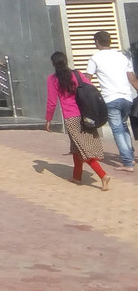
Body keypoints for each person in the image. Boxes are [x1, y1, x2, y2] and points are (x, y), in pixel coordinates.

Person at [45, 51, 110, 190]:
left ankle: (103, 175)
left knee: (83, 148)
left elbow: (51, 102)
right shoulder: (77, 74)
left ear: (53, 64)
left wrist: (48, 119)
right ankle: (77, 176)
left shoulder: (53, 79)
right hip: (85, 114)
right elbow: (91, 88)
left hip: (71, 118)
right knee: (76, 147)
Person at [86, 30, 138, 172]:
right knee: (124, 126)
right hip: (127, 98)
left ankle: (127, 162)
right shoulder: (123, 57)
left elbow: (87, 80)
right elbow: (132, 79)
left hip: (110, 98)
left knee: (117, 130)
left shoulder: (95, 58)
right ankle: (130, 157)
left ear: (97, 42)